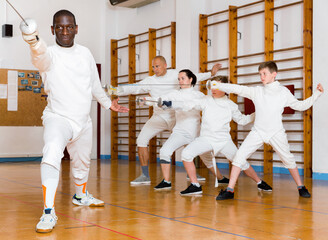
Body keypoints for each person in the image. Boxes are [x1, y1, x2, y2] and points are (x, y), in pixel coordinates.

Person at [21, 10, 129, 233]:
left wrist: (109, 104)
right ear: (52, 30)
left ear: (76, 28)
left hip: (83, 120)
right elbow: (38, 55)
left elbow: (95, 86)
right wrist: (32, 39)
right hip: (58, 118)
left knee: (82, 164)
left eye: (69, 26)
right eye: (59, 27)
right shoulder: (48, 54)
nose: (64, 31)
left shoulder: (86, 53)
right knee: (51, 151)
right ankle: (49, 212)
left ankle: (80, 196)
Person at [209, 61, 324, 200]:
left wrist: (317, 94)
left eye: (264, 74)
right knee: (238, 158)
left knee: (288, 160)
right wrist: (216, 84)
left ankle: (301, 187)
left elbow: (301, 106)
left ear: (274, 74)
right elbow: (237, 88)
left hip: (276, 132)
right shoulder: (257, 91)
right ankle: (230, 190)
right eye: (260, 74)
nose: (262, 77)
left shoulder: (283, 92)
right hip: (258, 132)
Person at [110, 56, 221, 185]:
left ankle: (192, 173)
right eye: (153, 67)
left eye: (157, 66)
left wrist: (211, 74)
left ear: (165, 65)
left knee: (189, 140)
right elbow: (134, 87)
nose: (155, 69)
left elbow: (194, 76)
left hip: (176, 116)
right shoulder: (150, 80)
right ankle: (145, 175)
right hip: (159, 117)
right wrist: (114, 90)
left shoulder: (176, 75)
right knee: (141, 140)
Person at [161, 76, 271, 195]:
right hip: (206, 139)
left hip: (224, 141)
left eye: (216, 86)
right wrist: (170, 104)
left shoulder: (231, 105)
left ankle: (259, 182)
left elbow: (242, 120)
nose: (213, 89)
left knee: (241, 162)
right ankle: (195, 185)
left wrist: (258, 114)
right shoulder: (206, 100)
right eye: (212, 85)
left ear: (225, 88)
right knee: (186, 154)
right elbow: (188, 104)